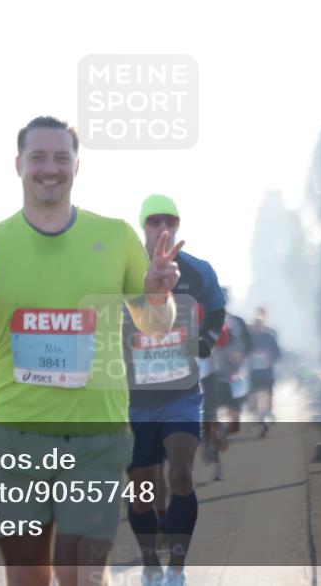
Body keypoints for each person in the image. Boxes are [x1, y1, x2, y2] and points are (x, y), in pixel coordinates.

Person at [0, 116, 183, 586]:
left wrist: (159, 296)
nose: (50, 167)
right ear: (18, 164)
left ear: (77, 166)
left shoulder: (118, 237)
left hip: (97, 437)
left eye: (61, 157)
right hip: (14, 438)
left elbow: (154, 325)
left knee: (80, 576)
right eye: (38, 156)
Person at [124, 195, 225, 586]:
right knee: (142, 493)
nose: (163, 228)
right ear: (143, 226)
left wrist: (205, 343)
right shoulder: (126, 270)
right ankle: (151, 565)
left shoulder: (196, 271)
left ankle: (177, 571)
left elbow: (216, 307)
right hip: (134, 399)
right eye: (154, 221)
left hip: (181, 394)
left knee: (181, 475)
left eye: (171, 221)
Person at [203, 288, 251, 481]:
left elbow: (248, 345)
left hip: (233, 377)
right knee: (211, 419)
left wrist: (241, 354)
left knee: (235, 424)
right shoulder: (202, 321)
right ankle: (216, 463)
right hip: (211, 378)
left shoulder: (237, 322)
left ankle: (217, 435)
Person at [247, 306, 282, 437]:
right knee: (253, 398)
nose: (257, 327)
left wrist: (270, 359)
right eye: (255, 324)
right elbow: (242, 352)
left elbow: (278, 354)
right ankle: (256, 415)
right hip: (253, 374)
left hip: (267, 373)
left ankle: (266, 413)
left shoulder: (269, 337)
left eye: (260, 324)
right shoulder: (248, 338)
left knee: (267, 396)